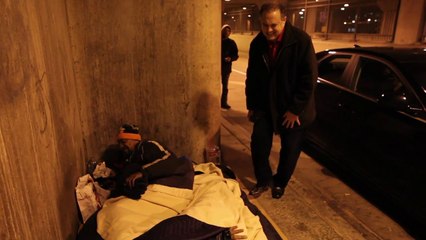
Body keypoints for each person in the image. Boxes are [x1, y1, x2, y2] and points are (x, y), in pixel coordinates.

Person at [245, 2, 318, 199]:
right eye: (264, 25)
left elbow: (309, 78)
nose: (269, 30)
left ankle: (280, 182)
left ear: (284, 20)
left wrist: (295, 110)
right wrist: (251, 105)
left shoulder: (301, 41)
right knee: (258, 144)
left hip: (294, 108)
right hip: (265, 105)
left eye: (273, 25)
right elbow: (252, 77)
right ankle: (263, 180)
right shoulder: (257, 44)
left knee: (290, 149)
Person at [221, 24, 239, 110]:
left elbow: (236, 55)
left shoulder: (231, 43)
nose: (227, 32)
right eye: (225, 30)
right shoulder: (217, 41)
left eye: (228, 31)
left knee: (225, 87)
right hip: (216, 67)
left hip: (226, 68)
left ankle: (223, 102)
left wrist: (230, 58)